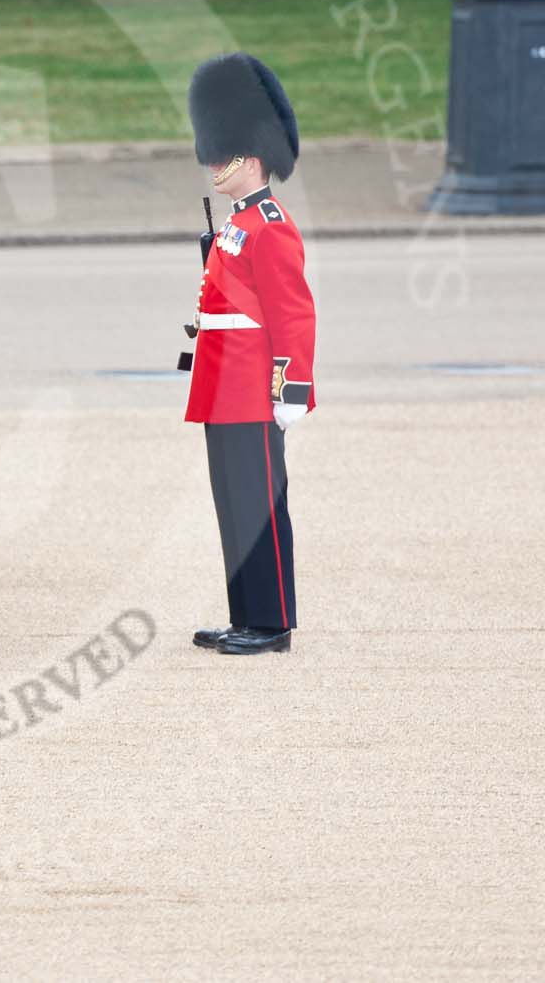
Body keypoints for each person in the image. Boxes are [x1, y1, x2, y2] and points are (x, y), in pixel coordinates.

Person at [180, 52, 316, 657]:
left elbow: (292, 314)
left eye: (224, 151)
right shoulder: (238, 224)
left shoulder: (270, 224)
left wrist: (291, 390)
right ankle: (246, 617)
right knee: (234, 507)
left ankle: (271, 621)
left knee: (259, 507)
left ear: (252, 158)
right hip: (221, 385)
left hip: (253, 388)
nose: (213, 161)